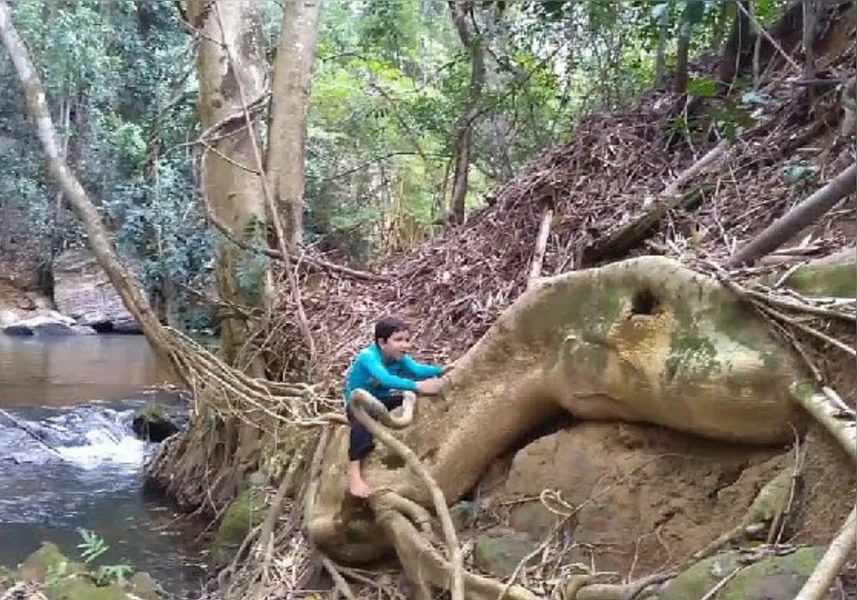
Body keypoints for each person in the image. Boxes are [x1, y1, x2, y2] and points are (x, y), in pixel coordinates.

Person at [343, 315, 447, 498]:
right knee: (362, 428)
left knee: (416, 399)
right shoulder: (368, 357)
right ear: (382, 343)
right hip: (359, 403)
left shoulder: (399, 358)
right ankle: (354, 476)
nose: (405, 345)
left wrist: (442, 371)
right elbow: (385, 379)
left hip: (382, 400)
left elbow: (416, 370)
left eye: (406, 340)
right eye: (398, 340)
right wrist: (417, 385)